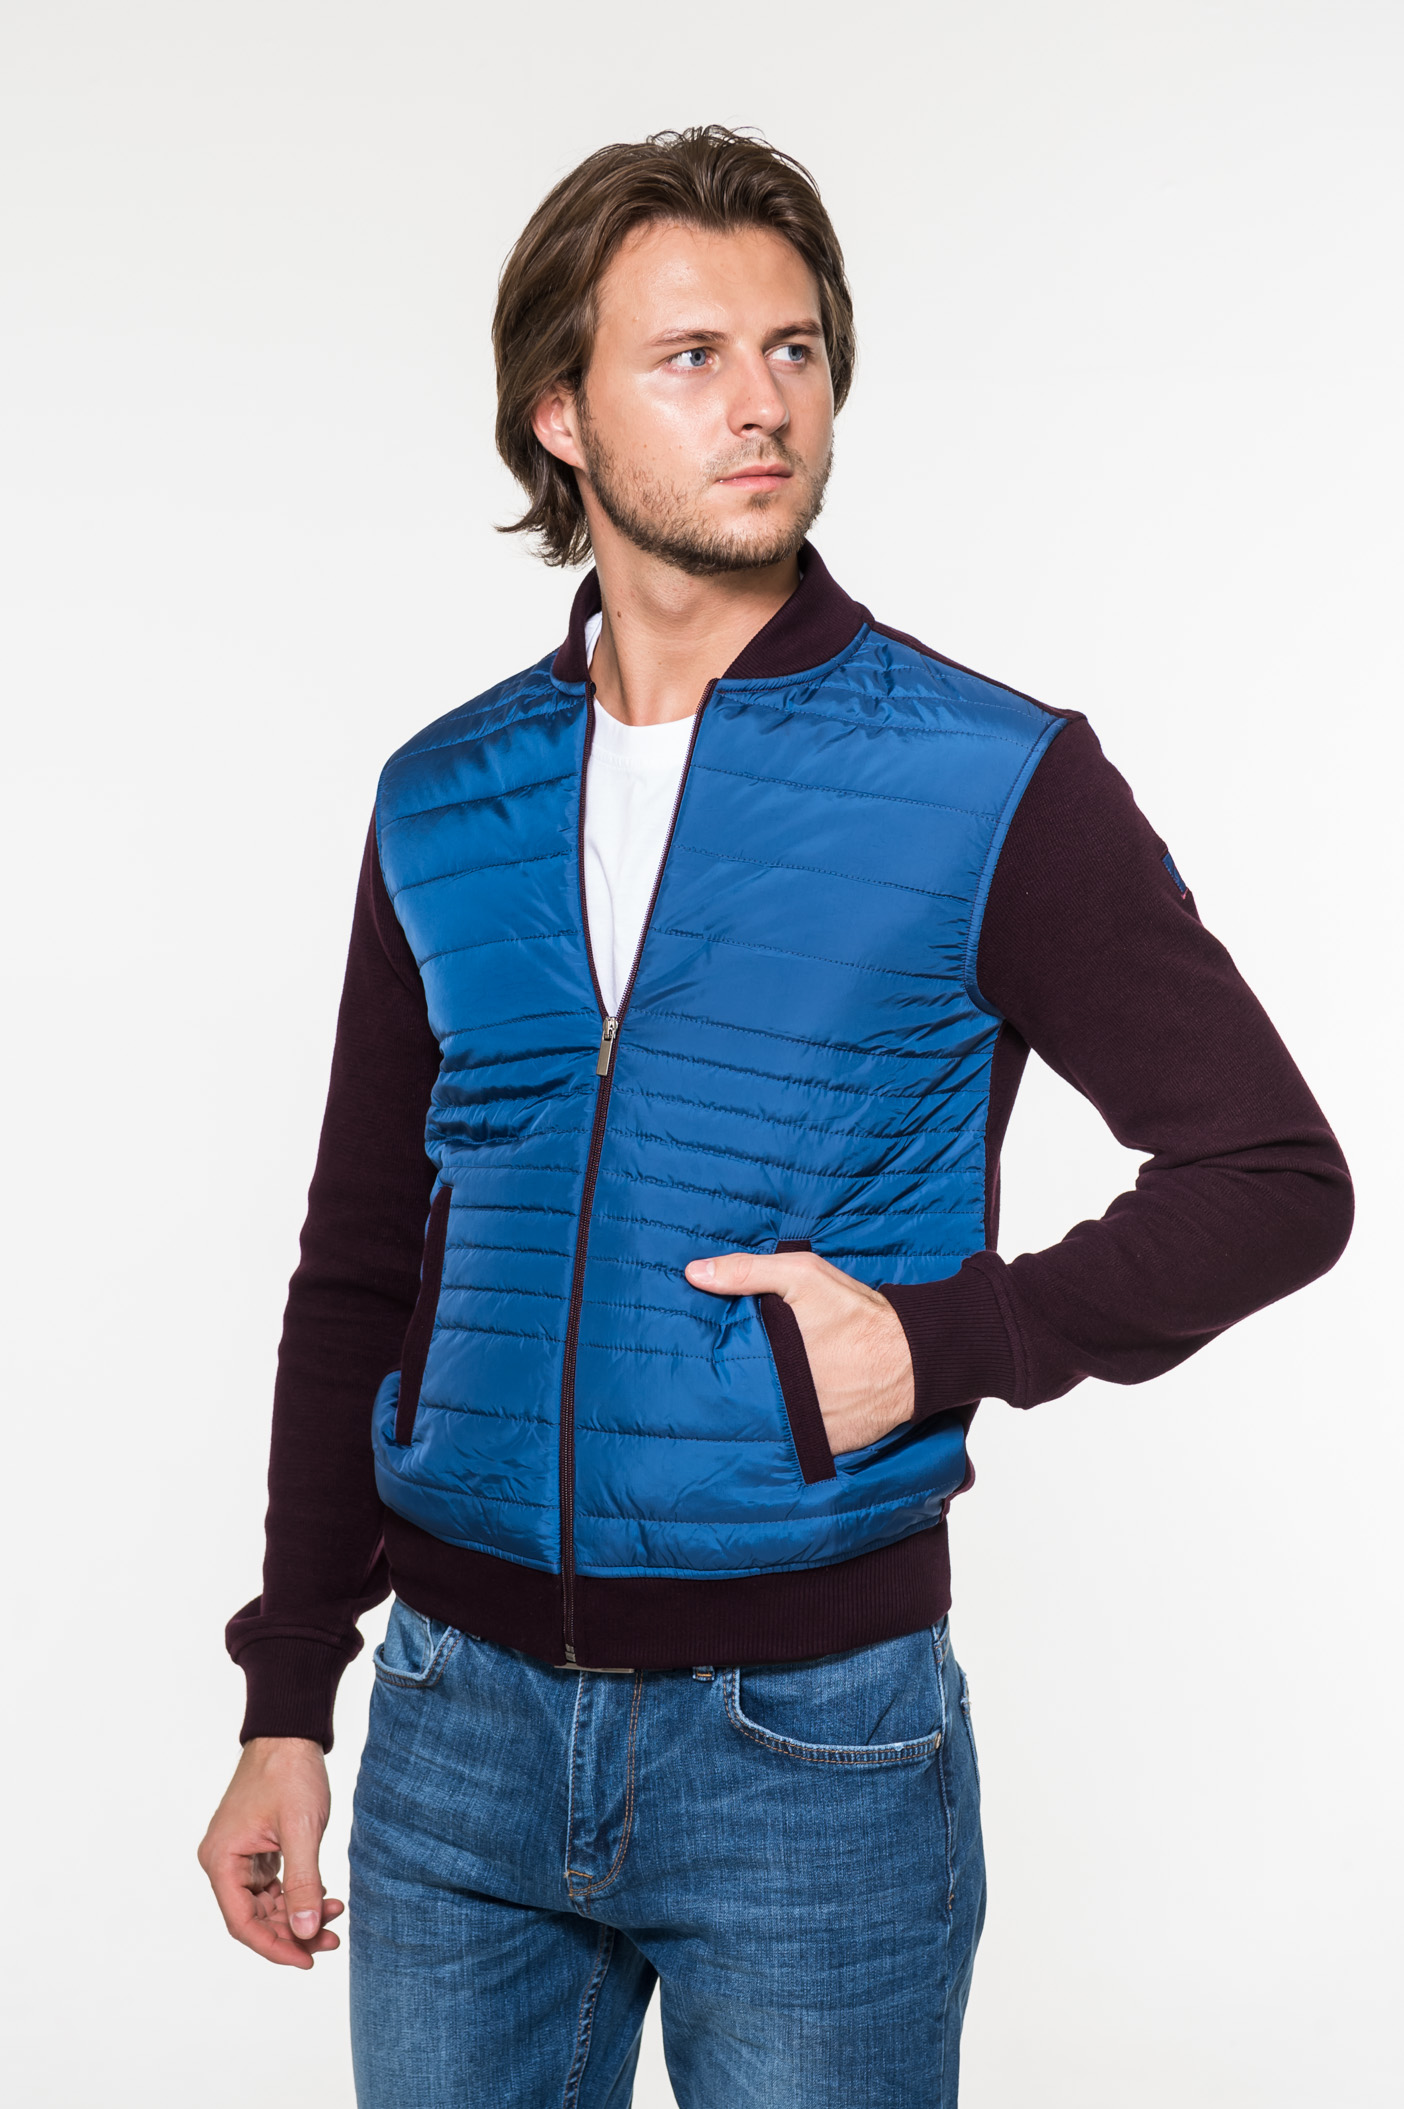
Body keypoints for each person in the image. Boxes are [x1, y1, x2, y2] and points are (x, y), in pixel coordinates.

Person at [198, 127, 1352, 2107]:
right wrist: (288, 1687)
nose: (765, 405)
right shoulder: (444, 795)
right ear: (558, 413)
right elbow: (361, 1263)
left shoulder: (989, 777)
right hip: (453, 1727)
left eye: (796, 350)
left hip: (809, 1741)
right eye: (694, 357)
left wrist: (952, 1334)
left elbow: (1273, 1175)